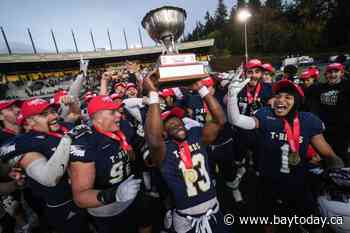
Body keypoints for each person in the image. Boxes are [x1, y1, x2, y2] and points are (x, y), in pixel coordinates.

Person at [227, 77, 344, 233]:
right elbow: (236, 120)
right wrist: (232, 95)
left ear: (296, 101)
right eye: (278, 96)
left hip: (298, 183)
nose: (280, 100)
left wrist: (340, 177)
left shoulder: (308, 120)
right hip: (268, 183)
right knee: (269, 225)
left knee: (314, 225)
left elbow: (329, 154)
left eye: (287, 97)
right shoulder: (265, 115)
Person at [143, 72, 230, 233]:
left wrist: (201, 88)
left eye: (178, 121)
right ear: (163, 132)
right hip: (187, 219)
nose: (176, 124)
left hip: (213, 211)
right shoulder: (163, 150)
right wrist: (153, 94)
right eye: (169, 124)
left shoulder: (197, 137)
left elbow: (220, 120)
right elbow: (153, 139)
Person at [0, 98, 91, 233]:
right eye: (44, 114)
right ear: (29, 122)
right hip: (65, 202)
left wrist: (72, 103)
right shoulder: (26, 143)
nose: (53, 116)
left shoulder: (65, 126)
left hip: (90, 192)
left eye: (53, 111)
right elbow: (49, 178)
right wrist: (67, 140)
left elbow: (75, 114)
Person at [69, 95, 154, 233]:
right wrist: (115, 194)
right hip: (108, 208)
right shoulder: (86, 141)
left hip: (133, 194)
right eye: (112, 112)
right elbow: (80, 198)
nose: (119, 115)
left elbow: (134, 153)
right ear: (97, 117)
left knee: (146, 222)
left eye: (118, 111)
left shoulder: (122, 127)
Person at [308, 63, 350, 166]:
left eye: (336, 72)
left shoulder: (347, 86)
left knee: (341, 156)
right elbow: (312, 105)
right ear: (325, 74)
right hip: (324, 130)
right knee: (325, 157)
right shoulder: (319, 88)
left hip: (342, 130)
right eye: (330, 72)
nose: (332, 74)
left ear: (341, 73)